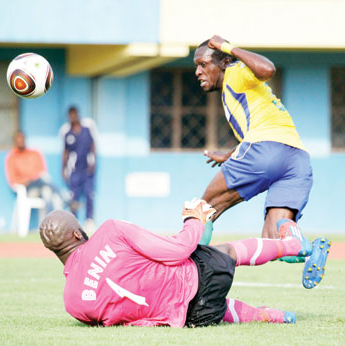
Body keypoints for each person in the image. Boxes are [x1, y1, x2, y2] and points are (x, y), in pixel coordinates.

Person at [39, 198, 330, 327]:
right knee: (227, 251)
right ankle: (292, 245)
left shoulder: (72, 302)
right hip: (198, 277)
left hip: (191, 318)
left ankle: (275, 316)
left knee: (221, 309)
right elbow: (177, 250)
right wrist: (193, 219)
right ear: (78, 233)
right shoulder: (110, 231)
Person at [194, 35, 313, 261]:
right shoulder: (239, 92)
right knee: (275, 241)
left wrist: (227, 48)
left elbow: (267, 69)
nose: (198, 71)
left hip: (264, 150)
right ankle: (307, 250)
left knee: (204, 209)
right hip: (297, 159)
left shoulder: (235, 72)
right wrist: (229, 154)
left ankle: (183, 266)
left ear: (223, 63)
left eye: (203, 64)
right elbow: (265, 129)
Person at [5, 130, 63, 214]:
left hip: (40, 184)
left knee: (47, 191)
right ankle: (65, 197)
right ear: (15, 141)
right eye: (18, 139)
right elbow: (13, 181)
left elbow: (42, 171)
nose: (20, 141)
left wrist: (34, 178)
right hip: (27, 188)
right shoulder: (11, 157)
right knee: (44, 179)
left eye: (22, 138)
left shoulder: (35, 153)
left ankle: (50, 222)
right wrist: (26, 181)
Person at [60, 106, 96, 233]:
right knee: (74, 197)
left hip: (86, 169)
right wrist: (63, 168)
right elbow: (65, 152)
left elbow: (92, 146)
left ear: (78, 114)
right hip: (74, 171)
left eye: (74, 114)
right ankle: (74, 222)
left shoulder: (87, 130)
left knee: (89, 195)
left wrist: (93, 161)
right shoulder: (67, 133)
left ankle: (89, 220)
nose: (73, 117)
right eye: (70, 115)